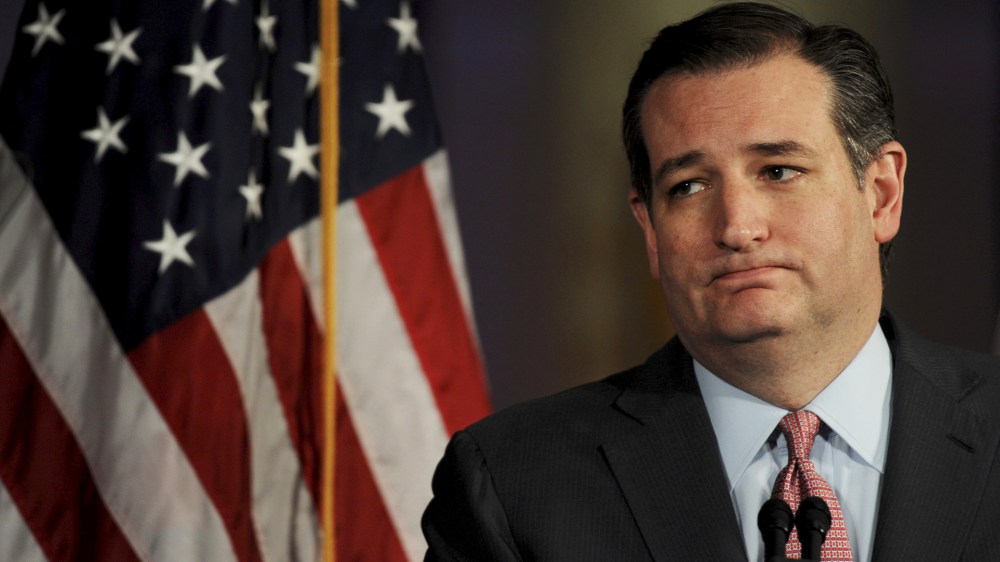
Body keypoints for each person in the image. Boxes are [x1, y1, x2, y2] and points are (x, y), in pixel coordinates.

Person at [421, 3, 1000, 561]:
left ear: (881, 194)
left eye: (779, 171)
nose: (737, 227)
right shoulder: (513, 483)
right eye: (689, 186)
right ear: (649, 227)